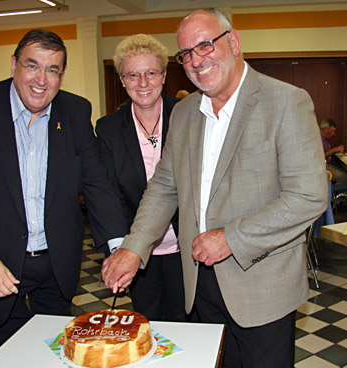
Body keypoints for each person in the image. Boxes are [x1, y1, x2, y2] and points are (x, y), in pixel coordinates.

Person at [102, 8, 327, 368]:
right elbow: (164, 187)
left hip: (260, 285)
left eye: (204, 45)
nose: (195, 60)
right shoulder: (186, 112)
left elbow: (308, 196)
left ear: (233, 42)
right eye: (186, 53)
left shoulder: (285, 101)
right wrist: (133, 247)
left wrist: (231, 238)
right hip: (199, 284)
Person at [0, 29, 128, 355]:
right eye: (32, 65)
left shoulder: (75, 113)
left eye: (52, 70)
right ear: (14, 65)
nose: (41, 79)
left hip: (56, 267)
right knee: (10, 359)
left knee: (55, 356)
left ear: (62, 75)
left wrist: (118, 248)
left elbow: (97, 183)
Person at [95, 34, 186, 322]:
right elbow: (109, 194)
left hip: (188, 247)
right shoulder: (108, 128)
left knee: (191, 325)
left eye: (150, 73)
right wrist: (120, 249)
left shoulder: (188, 115)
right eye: (133, 75)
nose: (143, 83)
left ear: (163, 75)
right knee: (149, 324)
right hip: (138, 251)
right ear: (122, 80)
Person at [320, 118, 347, 184]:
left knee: (344, 172)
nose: (333, 134)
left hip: (327, 165)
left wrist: (336, 150)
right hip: (322, 167)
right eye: (332, 131)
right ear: (325, 129)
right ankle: (333, 193)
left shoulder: (325, 140)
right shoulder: (318, 139)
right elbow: (321, 157)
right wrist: (335, 149)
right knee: (344, 177)